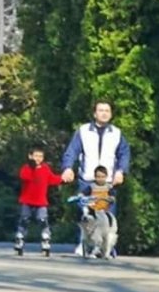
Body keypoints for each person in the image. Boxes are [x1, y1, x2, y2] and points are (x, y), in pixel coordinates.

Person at [61, 100, 131, 256]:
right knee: (87, 214)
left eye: (107, 110)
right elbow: (71, 151)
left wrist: (121, 171)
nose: (104, 113)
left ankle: (107, 247)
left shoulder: (117, 133)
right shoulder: (83, 131)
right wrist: (67, 168)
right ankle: (85, 243)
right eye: (101, 110)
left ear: (111, 114)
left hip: (108, 183)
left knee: (107, 216)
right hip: (87, 180)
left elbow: (124, 154)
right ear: (94, 113)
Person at [14, 145, 62, 255]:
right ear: (30, 156)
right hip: (27, 200)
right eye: (36, 156)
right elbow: (24, 177)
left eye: (41, 156)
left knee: (42, 219)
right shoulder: (26, 168)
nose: (38, 158)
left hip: (41, 201)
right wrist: (32, 168)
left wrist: (63, 178)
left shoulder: (45, 168)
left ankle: (45, 239)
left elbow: (52, 179)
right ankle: (20, 238)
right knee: (24, 219)